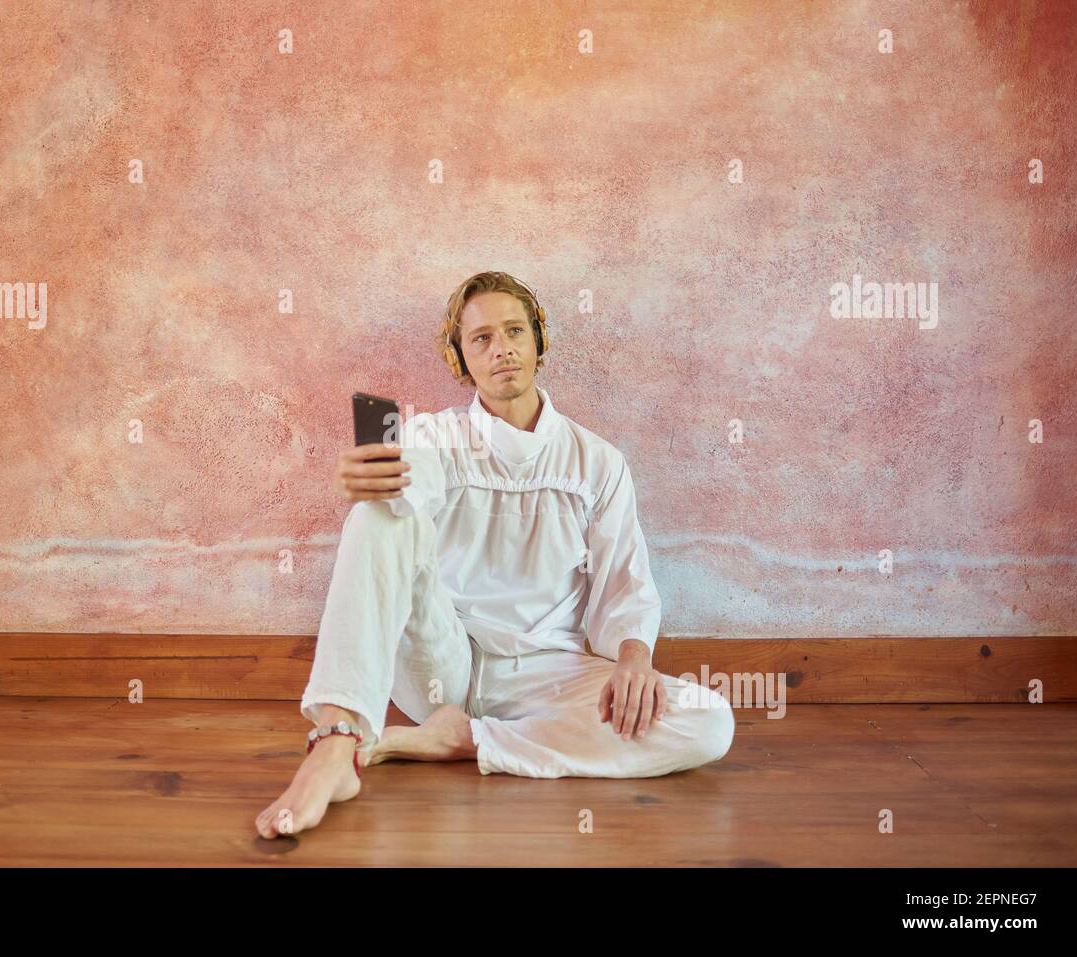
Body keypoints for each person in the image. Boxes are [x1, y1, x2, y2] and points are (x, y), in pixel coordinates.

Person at [255, 271, 734, 839]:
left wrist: (633, 661)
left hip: (547, 673)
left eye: (514, 331)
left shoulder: (599, 462)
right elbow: (417, 480)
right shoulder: (433, 437)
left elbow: (626, 583)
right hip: (442, 666)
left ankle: (458, 741)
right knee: (380, 509)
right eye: (481, 338)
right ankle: (336, 743)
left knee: (709, 722)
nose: (501, 347)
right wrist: (377, 481)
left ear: (538, 341)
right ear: (461, 358)